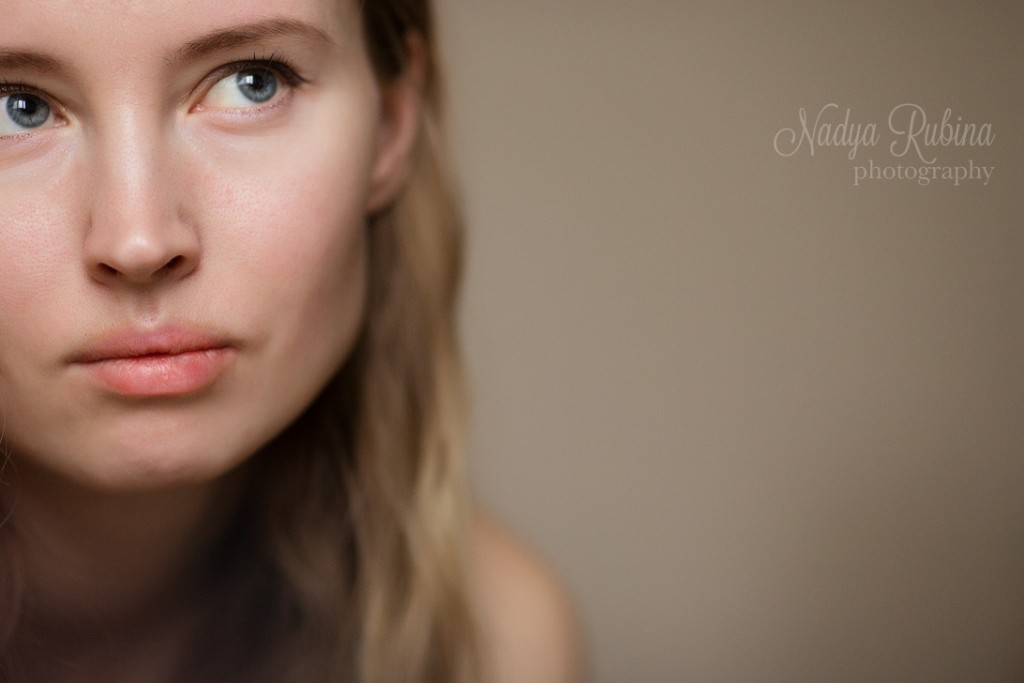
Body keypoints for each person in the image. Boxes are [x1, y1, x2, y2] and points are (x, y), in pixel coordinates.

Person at [0, 1, 582, 681]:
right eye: (17, 108)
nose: (140, 240)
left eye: (253, 81)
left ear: (392, 125)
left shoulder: (497, 645)